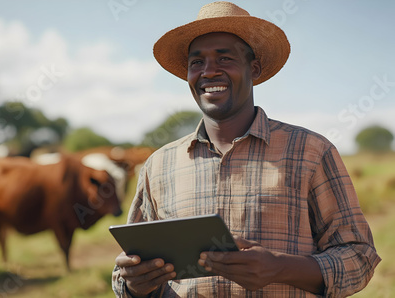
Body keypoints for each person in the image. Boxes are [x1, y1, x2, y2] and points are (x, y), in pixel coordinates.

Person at [112, 2, 381, 297]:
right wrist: (134, 283)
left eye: (224, 58)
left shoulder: (312, 152)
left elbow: (360, 257)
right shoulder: (159, 165)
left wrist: (280, 267)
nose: (208, 72)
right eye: (196, 62)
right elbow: (127, 272)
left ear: (253, 69)